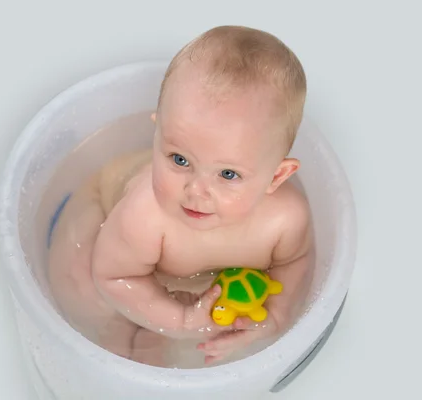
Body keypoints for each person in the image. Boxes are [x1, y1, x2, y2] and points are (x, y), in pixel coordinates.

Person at [48, 25, 313, 366]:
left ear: (276, 176)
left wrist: (274, 316)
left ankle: (151, 334)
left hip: (171, 276)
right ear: (157, 133)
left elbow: (294, 262)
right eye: (180, 159)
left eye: (228, 174)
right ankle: (119, 341)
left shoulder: (285, 220)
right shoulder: (144, 216)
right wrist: (181, 321)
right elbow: (115, 277)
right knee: (80, 289)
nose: (196, 191)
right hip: (104, 207)